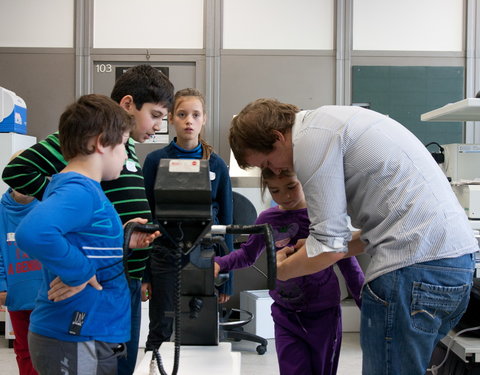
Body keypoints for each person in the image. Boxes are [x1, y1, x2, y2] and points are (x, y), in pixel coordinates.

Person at [228, 98, 478, 375]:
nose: (274, 171)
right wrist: (318, 248)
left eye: (268, 162)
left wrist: (283, 270)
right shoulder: (334, 122)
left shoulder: (309, 143)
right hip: (455, 268)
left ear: (278, 137)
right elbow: (369, 234)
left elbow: (328, 248)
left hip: (411, 272)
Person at [2, 64, 174, 375]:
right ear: (100, 143)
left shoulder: (88, 189)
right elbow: (33, 231)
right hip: (77, 326)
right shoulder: (79, 189)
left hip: (105, 306)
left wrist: (121, 238)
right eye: (122, 146)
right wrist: (80, 270)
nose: (126, 152)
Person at [214, 168, 364, 375]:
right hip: (285, 314)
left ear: (303, 181)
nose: (284, 196)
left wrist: (364, 303)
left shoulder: (322, 217)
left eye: (291, 187)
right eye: (275, 190)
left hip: (323, 315)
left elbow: (348, 263)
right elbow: (247, 255)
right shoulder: (268, 218)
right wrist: (219, 264)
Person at [142, 88, 233, 350]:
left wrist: (228, 273)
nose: (189, 121)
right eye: (182, 114)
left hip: (205, 256)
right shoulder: (155, 161)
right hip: (164, 255)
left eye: (195, 115)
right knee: (160, 325)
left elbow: (227, 220)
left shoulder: (216, 164)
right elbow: (148, 218)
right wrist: (146, 275)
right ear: (171, 118)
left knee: (199, 327)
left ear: (204, 118)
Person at [0, 151, 41, 375]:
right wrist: (2, 286)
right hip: (17, 293)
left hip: (46, 293)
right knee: (24, 350)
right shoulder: (1, 212)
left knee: (49, 349)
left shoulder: (47, 206)